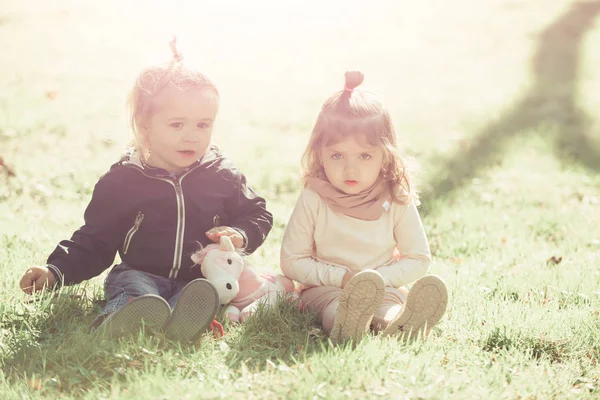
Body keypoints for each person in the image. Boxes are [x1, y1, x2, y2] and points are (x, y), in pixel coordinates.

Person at [19, 38, 273, 341]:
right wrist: (55, 271)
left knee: (199, 295)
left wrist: (240, 233)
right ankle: (122, 319)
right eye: (177, 125)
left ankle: (184, 321)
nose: (191, 136)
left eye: (202, 125)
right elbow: (94, 240)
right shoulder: (124, 180)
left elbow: (257, 212)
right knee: (136, 292)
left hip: (200, 279)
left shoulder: (221, 174)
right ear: (144, 124)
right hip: (140, 273)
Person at [281, 71, 448, 342]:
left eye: (365, 156)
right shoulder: (314, 198)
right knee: (335, 309)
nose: (351, 168)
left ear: (385, 155)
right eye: (337, 155)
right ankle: (347, 325)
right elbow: (291, 261)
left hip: (383, 286)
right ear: (320, 155)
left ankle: (399, 324)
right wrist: (342, 278)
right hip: (327, 288)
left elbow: (418, 258)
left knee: (389, 307)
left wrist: (377, 280)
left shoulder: (395, 198)